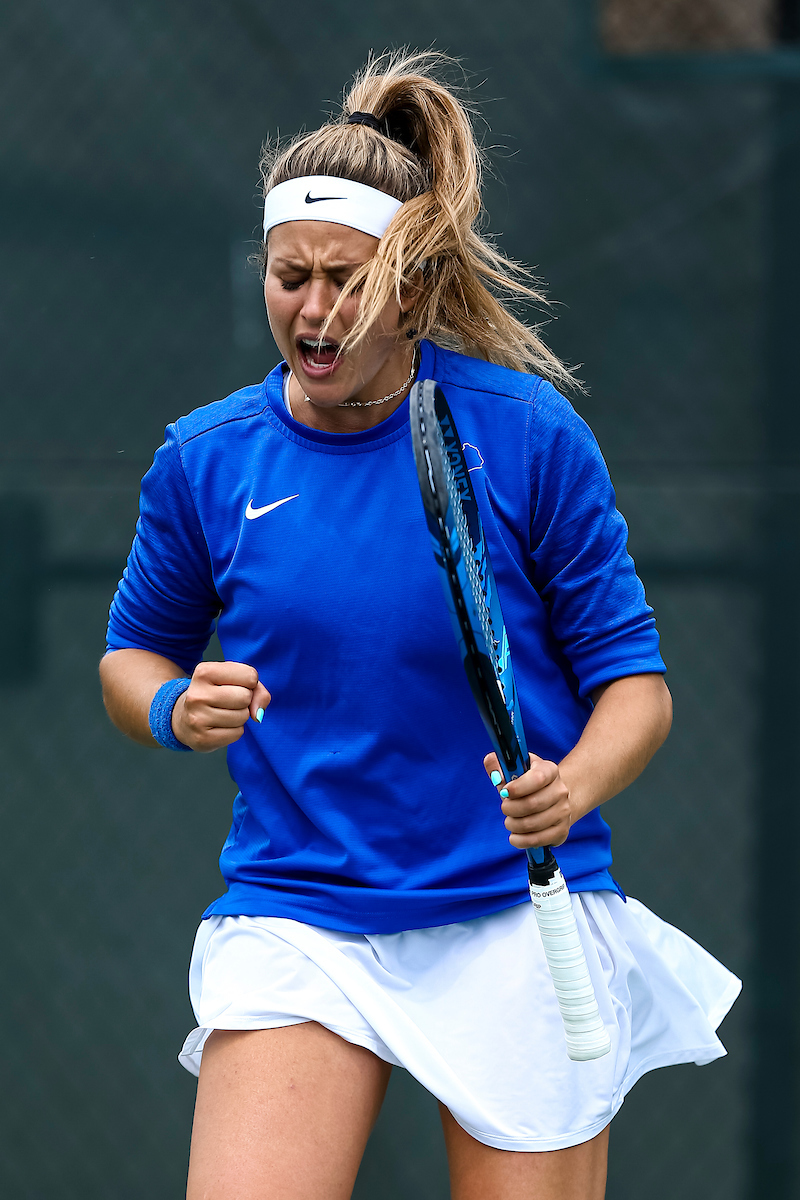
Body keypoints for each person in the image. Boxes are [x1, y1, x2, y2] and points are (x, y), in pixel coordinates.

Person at [100, 50, 740, 1200]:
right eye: (288, 275)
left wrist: (576, 782)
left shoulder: (529, 434)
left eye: (344, 277)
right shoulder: (203, 461)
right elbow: (129, 657)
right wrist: (169, 703)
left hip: (511, 912)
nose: (312, 306)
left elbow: (636, 690)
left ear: (409, 279)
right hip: (299, 913)